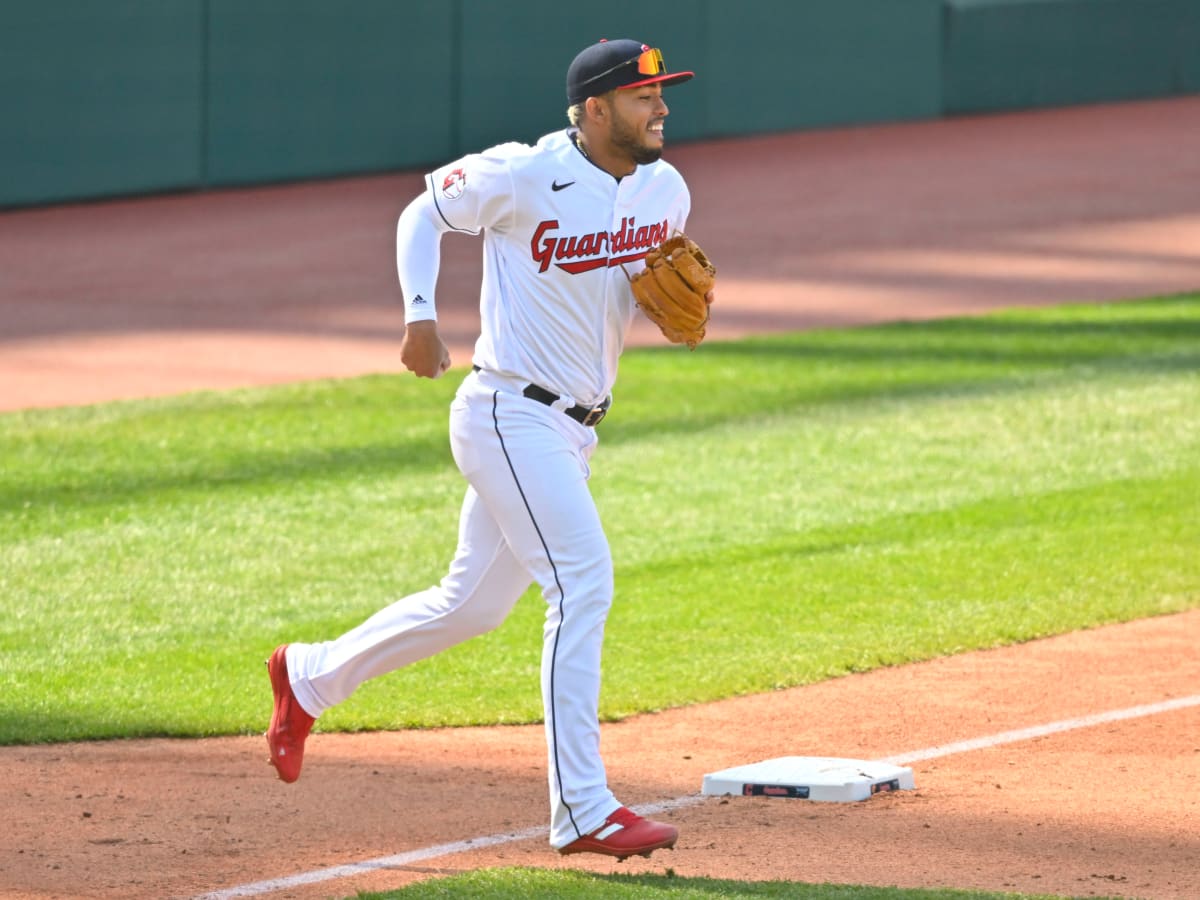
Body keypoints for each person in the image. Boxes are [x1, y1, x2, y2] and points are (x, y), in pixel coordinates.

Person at [265, 37, 711, 860]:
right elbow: (421, 212)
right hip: (507, 412)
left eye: (664, 93)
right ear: (595, 108)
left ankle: (309, 676)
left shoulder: (665, 188)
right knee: (582, 583)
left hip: (573, 430)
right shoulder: (522, 172)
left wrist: (660, 307)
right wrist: (420, 316)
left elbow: (627, 290)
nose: (663, 108)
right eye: (646, 95)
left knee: (469, 604)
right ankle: (581, 807)